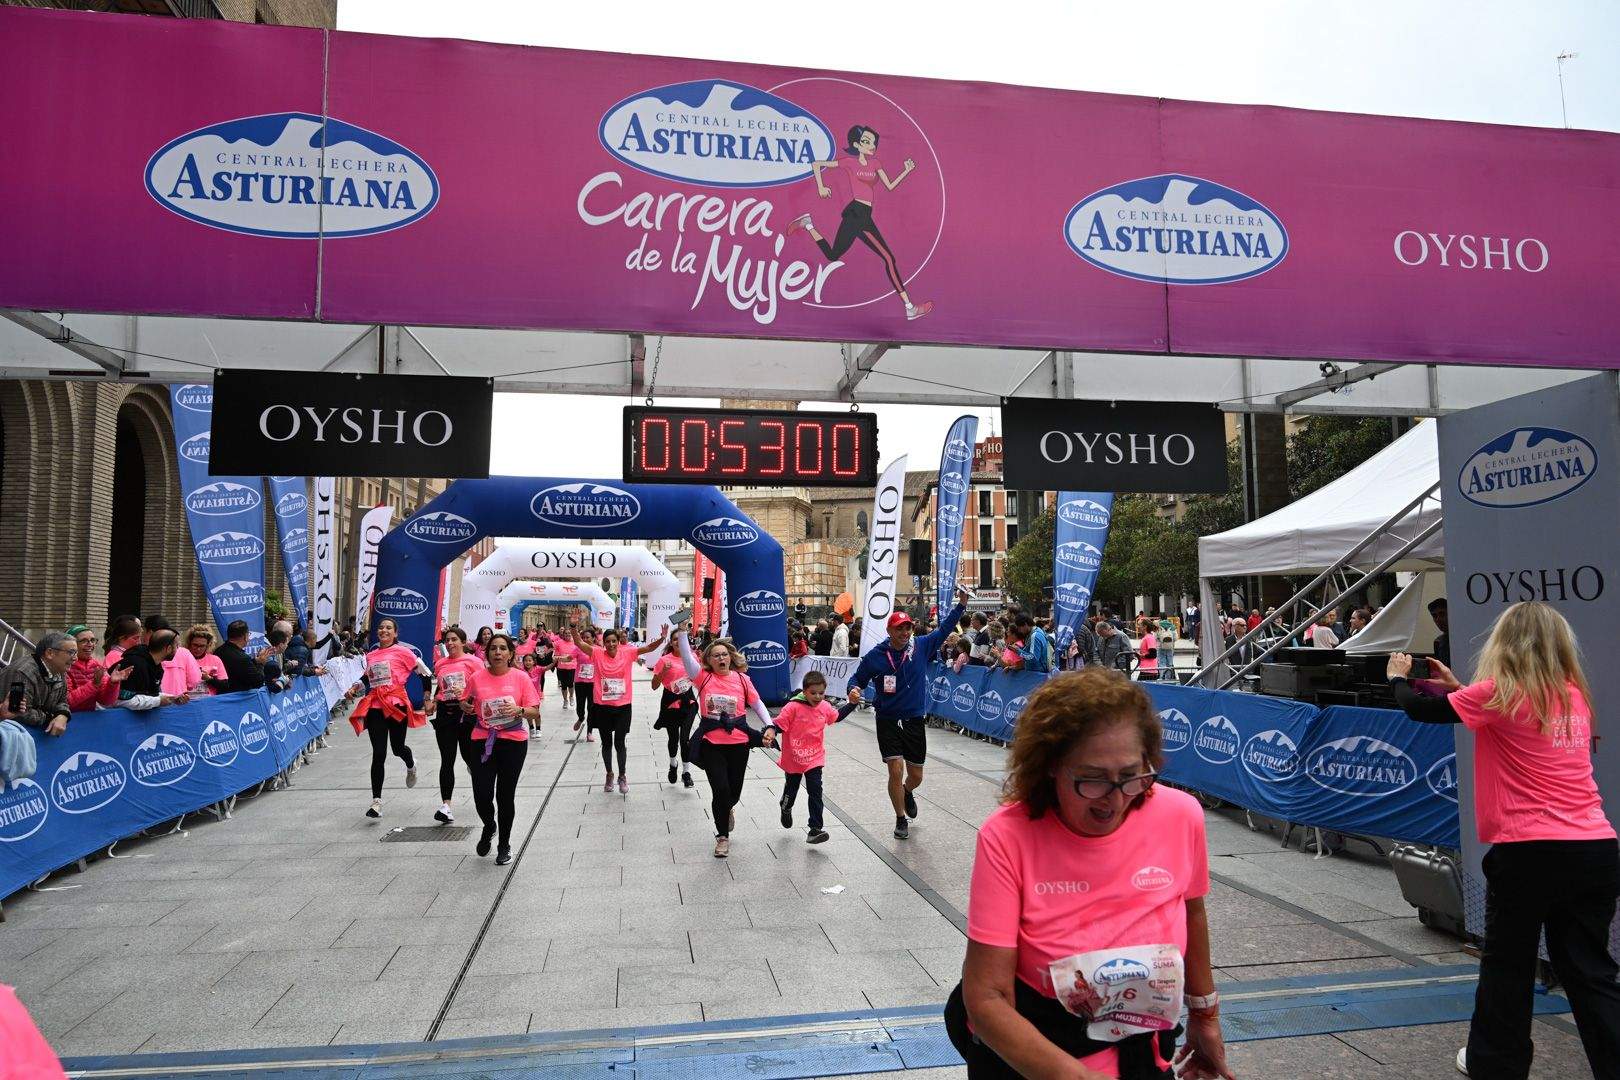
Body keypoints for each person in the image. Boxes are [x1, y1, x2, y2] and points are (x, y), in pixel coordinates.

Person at [953, 668, 1230, 1080]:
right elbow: (986, 997)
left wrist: (1204, 1014)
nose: (1113, 801)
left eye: (1131, 776)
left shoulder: (1180, 815)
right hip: (1039, 1055)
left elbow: (1192, 911)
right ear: (1050, 766)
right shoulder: (1007, 836)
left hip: (1145, 1053)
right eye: (1092, 780)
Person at [1387, 602, 1618, 1079]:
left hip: (1529, 849)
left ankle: (1496, 1063)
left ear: (1504, 643)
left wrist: (1397, 677)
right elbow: (1504, 715)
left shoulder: (1499, 693)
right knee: (1590, 971)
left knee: (1508, 965)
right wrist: (1459, 689)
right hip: (1594, 846)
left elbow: (1416, 709)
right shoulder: (1572, 695)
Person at [846, 587, 969, 840]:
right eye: (899, 629)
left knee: (916, 775)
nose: (904, 633)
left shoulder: (921, 646)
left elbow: (944, 630)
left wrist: (961, 605)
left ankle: (907, 792)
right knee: (895, 768)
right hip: (888, 719)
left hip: (913, 719)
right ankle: (900, 819)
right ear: (889, 631)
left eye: (908, 628)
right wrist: (853, 689)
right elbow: (857, 678)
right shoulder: (876, 656)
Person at [786, 124, 933, 321]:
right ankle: (909, 307)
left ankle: (808, 223)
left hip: (863, 215)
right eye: (866, 141)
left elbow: (889, 186)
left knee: (833, 255)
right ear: (856, 144)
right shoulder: (849, 163)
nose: (871, 145)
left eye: (873, 142)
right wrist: (821, 186)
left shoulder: (876, 164)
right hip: (857, 213)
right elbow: (816, 164)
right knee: (889, 258)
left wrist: (906, 171)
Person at [675, 630, 774, 857]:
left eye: (724, 655)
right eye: (716, 656)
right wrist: (681, 634)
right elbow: (688, 661)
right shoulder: (704, 678)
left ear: (731, 657)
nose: (721, 659)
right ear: (709, 661)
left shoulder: (742, 679)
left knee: (734, 792)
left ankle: (728, 807)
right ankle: (722, 837)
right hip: (712, 743)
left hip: (739, 742)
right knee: (720, 789)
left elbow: (757, 704)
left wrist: (770, 726)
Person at [464, 632, 541, 865]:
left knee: (505, 796)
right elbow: (466, 702)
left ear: (510, 654)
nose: (498, 652)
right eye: (493, 648)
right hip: (481, 740)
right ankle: (489, 825)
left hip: (513, 742)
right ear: (487, 653)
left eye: (502, 648)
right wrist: (465, 706)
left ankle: (504, 844)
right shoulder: (476, 678)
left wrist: (518, 710)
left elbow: (534, 710)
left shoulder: (521, 678)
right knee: (482, 794)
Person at [347, 617, 434, 819]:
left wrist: (427, 697)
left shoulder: (404, 653)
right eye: (381, 627)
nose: (383, 630)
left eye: (388, 628)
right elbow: (367, 678)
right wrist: (355, 687)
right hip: (376, 705)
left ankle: (411, 764)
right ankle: (376, 802)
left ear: (395, 633)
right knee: (379, 753)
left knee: (397, 748)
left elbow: (425, 674)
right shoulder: (372, 655)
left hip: (397, 705)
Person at [569, 622, 669, 795]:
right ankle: (609, 774)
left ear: (618, 641)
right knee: (607, 743)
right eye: (608, 641)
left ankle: (622, 776)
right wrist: (573, 626)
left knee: (620, 742)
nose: (611, 644)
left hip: (623, 707)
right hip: (602, 706)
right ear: (603, 642)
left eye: (614, 641)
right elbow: (579, 643)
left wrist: (662, 637)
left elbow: (649, 648)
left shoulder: (627, 652)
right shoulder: (597, 653)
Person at [766, 670, 841, 844]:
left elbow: (837, 717)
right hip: (794, 757)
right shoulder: (793, 706)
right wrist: (770, 733)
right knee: (792, 790)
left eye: (821, 693)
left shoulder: (824, 706)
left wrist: (851, 704)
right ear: (804, 691)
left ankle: (815, 828)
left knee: (816, 790)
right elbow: (779, 724)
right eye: (813, 693)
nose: (817, 697)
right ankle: (785, 807)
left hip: (814, 757)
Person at [425, 626, 482, 825]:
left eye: (454, 640)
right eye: (447, 640)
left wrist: (467, 695)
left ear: (463, 642)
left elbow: (482, 686)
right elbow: (440, 687)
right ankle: (446, 806)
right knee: (447, 760)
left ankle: (482, 795)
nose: (450, 643)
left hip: (466, 714)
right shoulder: (440, 663)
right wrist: (433, 701)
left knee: (470, 757)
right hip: (445, 713)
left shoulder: (474, 662)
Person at [0, 633, 74, 737]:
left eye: (76, 653)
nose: (75, 658)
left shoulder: (59, 670)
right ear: (50, 653)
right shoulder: (22, 672)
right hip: (13, 736)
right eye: (71, 652)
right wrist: (50, 717)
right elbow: (17, 713)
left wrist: (63, 715)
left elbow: (62, 701)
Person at [651, 633, 698, 788]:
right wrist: (664, 671)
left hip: (688, 701)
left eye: (681, 638)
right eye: (675, 639)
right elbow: (654, 686)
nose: (678, 641)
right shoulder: (664, 660)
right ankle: (673, 764)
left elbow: (700, 678)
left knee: (685, 738)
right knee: (673, 738)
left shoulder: (692, 658)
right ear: (671, 642)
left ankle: (686, 772)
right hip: (670, 702)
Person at [66, 624, 123, 712]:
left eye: (92, 640)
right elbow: (67, 702)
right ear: (71, 645)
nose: (90, 644)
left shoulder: (96, 666)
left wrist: (113, 684)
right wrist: (93, 685)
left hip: (89, 719)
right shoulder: (64, 666)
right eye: (84, 641)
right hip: (67, 719)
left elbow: (105, 701)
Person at [215, 620, 269, 692]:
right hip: (237, 698)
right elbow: (258, 681)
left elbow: (239, 667)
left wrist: (255, 661)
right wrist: (261, 664)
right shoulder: (242, 658)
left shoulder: (218, 651)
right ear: (245, 636)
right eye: (248, 635)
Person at [570, 624, 599, 742]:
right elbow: (570, 657)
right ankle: (580, 718)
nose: (585, 639)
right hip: (580, 681)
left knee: (591, 708)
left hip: (593, 683)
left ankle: (589, 732)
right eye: (584, 637)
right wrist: (560, 659)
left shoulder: (598, 650)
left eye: (588, 637)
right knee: (580, 706)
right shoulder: (578, 648)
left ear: (593, 638)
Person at [184, 625, 228, 694]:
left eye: (202, 646)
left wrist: (209, 679)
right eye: (195, 645)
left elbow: (225, 686)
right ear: (189, 643)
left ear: (208, 645)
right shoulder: (182, 659)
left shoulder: (215, 660)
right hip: (187, 702)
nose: (198, 649)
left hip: (208, 702)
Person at [1428, 597, 1451, 666]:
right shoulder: (1438, 642)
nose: (1438, 619)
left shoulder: (1463, 637)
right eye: (1434, 616)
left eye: (1442, 614)